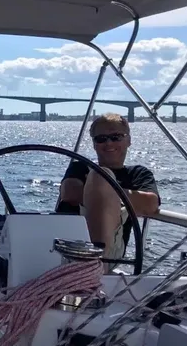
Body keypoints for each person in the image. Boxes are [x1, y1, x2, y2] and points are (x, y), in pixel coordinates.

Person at [56, 113, 160, 270]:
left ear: (129, 140)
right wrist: (111, 195)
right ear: (94, 144)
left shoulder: (139, 174)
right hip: (64, 244)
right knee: (101, 175)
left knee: (101, 175)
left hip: (109, 251)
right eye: (101, 139)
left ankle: (94, 265)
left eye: (116, 137)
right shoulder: (79, 167)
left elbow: (150, 203)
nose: (109, 143)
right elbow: (70, 193)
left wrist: (104, 190)